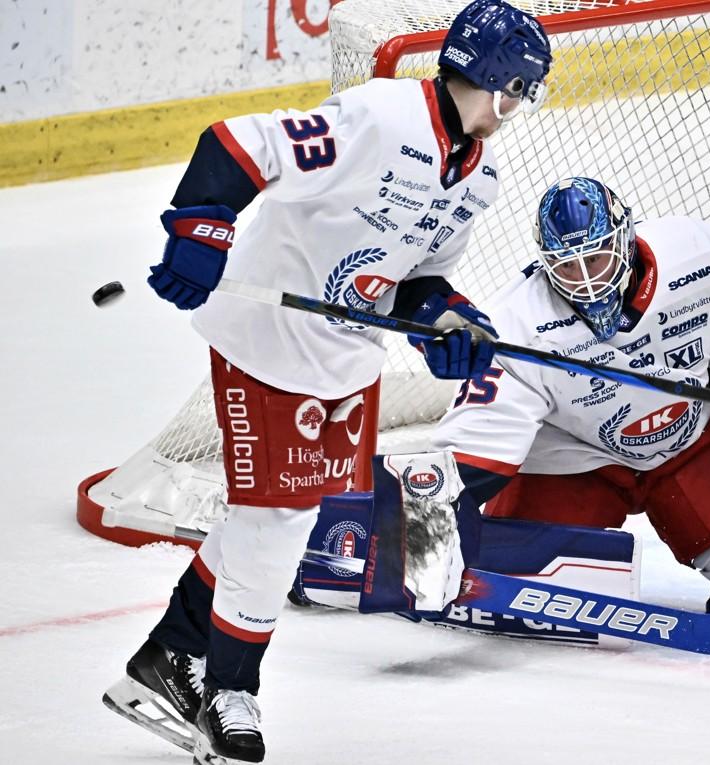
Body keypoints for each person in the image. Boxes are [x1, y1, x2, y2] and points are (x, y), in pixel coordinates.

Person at [101, 2, 551, 762]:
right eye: (506, 92)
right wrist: (201, 225)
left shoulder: (479, 179)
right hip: (268, 340)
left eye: (520, 98)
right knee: (274, 520)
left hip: (345, 354)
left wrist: (450, 323)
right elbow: (240, 145)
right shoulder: (379, 118)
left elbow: (421, 283)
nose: (509, 112)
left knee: (279, 516)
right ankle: (228, 688)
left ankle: (168, 657)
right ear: (473, 75)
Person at [428, 176, 710, 606]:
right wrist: (422, 520)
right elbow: (474, 449)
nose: (586, 281)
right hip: (576, 461)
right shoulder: (517, 324)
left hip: (689, 447)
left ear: (625, 241)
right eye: (567, 266)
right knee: (536, 594)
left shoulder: (698, 257)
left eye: (597, 258)